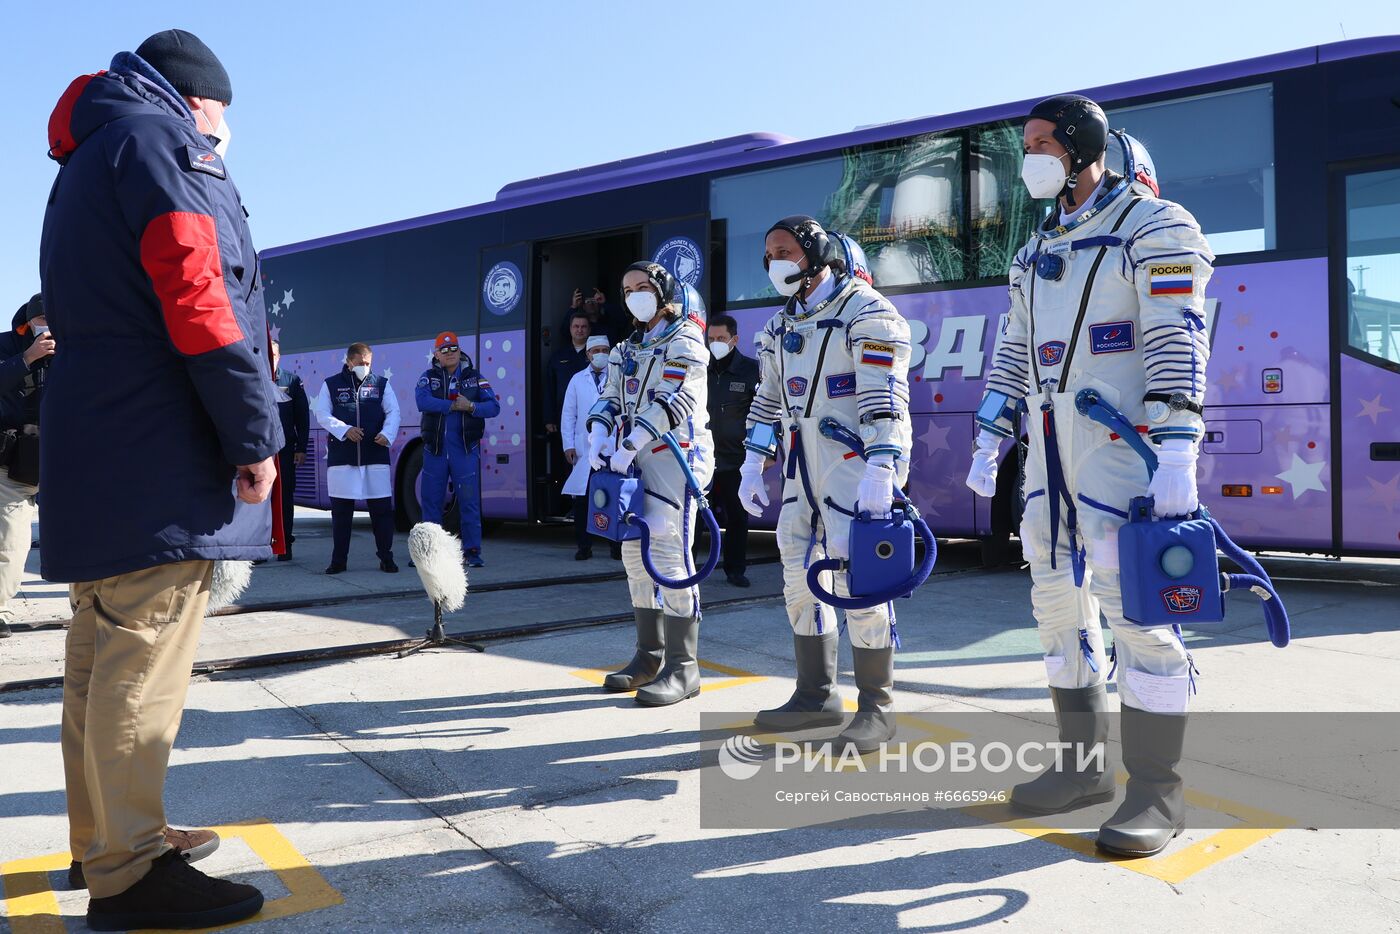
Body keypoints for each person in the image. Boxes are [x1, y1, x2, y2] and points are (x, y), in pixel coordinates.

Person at [39, 29, 278, 929]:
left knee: (97, 655)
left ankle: (102, 837)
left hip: (102, 446)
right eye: (224, 110)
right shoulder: (165, 142)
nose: (224, 128)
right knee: (143, 651)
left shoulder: (92, 152)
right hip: (157, 447)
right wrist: (252, 431)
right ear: (200, 98)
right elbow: (200, 293)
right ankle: (130, 873)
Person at [966, 96, 1213, 857]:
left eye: (1041, 143)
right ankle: (1081, 767)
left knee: (1135, 611)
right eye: (1026, 145)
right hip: (1048, 455)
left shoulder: (1155, 227)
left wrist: (1178, 447)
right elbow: (1015, 347)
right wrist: (989, 434)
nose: (1028, 158)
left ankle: (1157, 791)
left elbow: (1178, 336)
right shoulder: (1035, 249)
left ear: (1081, 148)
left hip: (1124, 453)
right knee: (1052, 600)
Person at [738, 217, 914, 753]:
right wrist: (752, 459)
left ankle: (877, 706)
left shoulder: (867, 313)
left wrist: (884, 469)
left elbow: (885, 399)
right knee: (797, 571)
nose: (775, 264)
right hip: (802, 469)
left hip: (853, 466)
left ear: (816, 254)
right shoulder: (777, 328)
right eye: (768, 255)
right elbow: (768, 400)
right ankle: (814, 695)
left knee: (858, 579)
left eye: (784, 252)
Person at [586, 263, 714, 706]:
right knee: (632, 553)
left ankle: (684, 667)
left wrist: (634, 439)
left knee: (669, 555)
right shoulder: (626, 348)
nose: (635, 295)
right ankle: (648, 656)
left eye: (643, 287)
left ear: (663, 293)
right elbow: (610, 394)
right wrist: (599, 433)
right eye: (627, 290)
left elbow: (676, 398)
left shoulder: (685, 341)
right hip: (633, 458)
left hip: (674, 457)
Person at [314, 342, 400, 574]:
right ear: (349, 361)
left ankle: (386, 558)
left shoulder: (381, 384)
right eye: (361, 363)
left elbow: (393, 411)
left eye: (368, 363)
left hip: (375, 456)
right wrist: (344, 430)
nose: (365, 367)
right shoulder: (331, 384)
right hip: (343, 459)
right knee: (341, 514)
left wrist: (387, 433)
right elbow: (321, 413)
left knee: (381, 511)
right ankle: (338, 561)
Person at [415, 331, 500, 567]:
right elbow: (422, 402)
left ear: (460, 350)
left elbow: (494, 407)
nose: (450, 353)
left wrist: (471, 406)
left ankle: (472, 552)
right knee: (431, 503)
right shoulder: (428, 377)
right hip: (436, 451)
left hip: (465, 450)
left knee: (469, 502)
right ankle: (429, 554)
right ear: (436, 354)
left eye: (454, 348)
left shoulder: (475, 378)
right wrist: (453, 406)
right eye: (444, 349)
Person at [0, 295, 49, 638]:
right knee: (11, 541)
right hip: (12, 461)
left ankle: (87, 604)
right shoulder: (5, 344)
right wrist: (27, 358)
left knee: (79, 535)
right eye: (44, 320)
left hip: (62, 459)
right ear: (29, 323)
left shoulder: (77, 343)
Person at [705, 314, 760, 587]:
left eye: (721, 339)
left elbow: (766, 415)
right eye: (711, 339)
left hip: (736, 459)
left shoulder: (751, 370)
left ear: (734, 339)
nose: (715, 343)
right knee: (692, 514)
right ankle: (688, 568)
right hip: (701, 457)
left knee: (737, 516)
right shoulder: (699, 368)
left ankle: (735, 569)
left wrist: (766, 452)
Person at [561, 335, 611, 559]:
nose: (600, 354)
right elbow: (568, 415)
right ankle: (584, 546)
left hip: (612, 447)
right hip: (584, 447)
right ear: (588, 354)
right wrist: (568, 445)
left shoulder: (619, 376)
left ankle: (616, 547)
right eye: (596, 350)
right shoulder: (577, 380)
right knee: (582, 500)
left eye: (605, 350)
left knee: (613, 496)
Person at [270, 341, 309, 562]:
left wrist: (301, 448)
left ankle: (285, 545)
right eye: (268, 354)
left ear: (280, 356)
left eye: (274, 354)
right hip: (261, 451)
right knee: (261, 500)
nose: (271, 357)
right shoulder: (255, 377)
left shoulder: (292, 381)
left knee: (285, 498)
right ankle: (263, 546)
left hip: (285, 450)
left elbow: (302, 417)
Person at [545, 311, 591, 436]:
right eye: (576, 326)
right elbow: (549, 389)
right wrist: (549, 419)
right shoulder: (558, 356)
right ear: (570, 329)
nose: (580, 330)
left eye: (584, 326)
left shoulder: (597, 355)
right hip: (564, 416)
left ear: (589, 329)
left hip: (591, 416)